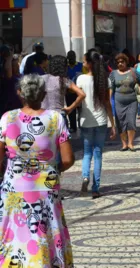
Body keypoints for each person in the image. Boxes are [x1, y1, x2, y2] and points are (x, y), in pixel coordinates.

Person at [0, 74, 75, 267]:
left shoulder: (7, 118)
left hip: (14, 188)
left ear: (20, 94)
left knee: (15, 235)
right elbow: (67, 159)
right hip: (46, 188)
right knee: (48, 232)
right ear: (43, 93)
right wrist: (51, 169)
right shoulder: (55, 118)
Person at [78, 51, 116, 198]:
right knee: (98, 153)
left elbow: (78, 100)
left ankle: (85, 176)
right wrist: (112, 124)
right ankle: (95, 187)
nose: (82, 63)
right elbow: (107, 103)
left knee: (87, 153)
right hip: (101, 121)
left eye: (84, 61)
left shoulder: (80, 79)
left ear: (89, 64)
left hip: (86, 121)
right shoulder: (104, 80)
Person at [109, 53, 140, 152]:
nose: (120, 64)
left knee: (131, 122)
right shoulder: (113, 73)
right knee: (120, 122)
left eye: (122, 62)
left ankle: (130, 143)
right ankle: (124, 144)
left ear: (126, 62)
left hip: (132, 101)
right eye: (118, 62)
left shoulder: (133, 71)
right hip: (118, 101)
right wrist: (108, 99)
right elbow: (111, 88)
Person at [41, 55, 86, 127]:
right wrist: (70, 108)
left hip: (43, 116)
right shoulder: (64, 80)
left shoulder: (41, 78)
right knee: (61, 138)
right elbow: (82, 94)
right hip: (58, 116)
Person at [66, 50, 85, 132]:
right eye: (69, 57)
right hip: (68, 92)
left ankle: (81, 126)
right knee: (71, 110)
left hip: (79, 92)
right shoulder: (65, 67)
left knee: (81, 110)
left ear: (75, 57)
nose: (71, 58)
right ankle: (73, 127)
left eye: (72, 57)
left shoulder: (81, 66)